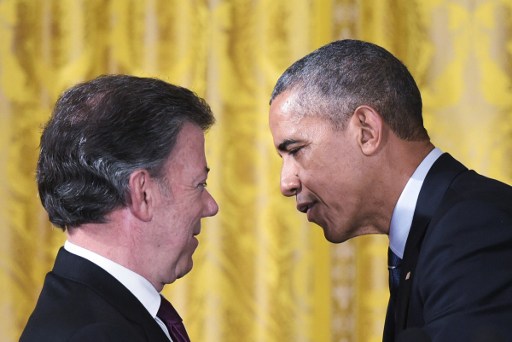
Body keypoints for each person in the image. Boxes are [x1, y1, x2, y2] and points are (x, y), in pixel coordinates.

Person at [268, 39, 512, 342]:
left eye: (296, 150)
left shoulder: (476, 228)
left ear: (367, 131)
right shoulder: (429, 235)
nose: (286, 183)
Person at [20, 74, 219, 342]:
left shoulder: (99, 312)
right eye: (199, 184)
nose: (211, 205)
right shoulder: (95, 335)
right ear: (143, 193)